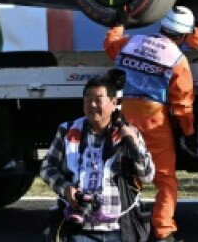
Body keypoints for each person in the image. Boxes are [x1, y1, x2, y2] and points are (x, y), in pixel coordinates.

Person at [104, 7, 197, 242]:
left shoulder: (132, 43)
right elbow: (182, 105)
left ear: (162, 25)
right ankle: (164, 232)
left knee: (126, 174)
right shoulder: (178, 60)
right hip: (154, 121)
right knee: (165, 179)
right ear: (184, 35)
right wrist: (189, 133)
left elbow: (110, 44)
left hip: (123, 118)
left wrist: (119, 23)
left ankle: (122, 226)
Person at [41, 70, 154, 242]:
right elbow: (47, 168)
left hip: (119, 227)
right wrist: (65, 188)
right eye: (87, 98)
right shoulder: (67, 130)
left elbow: (147, 176)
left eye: (98, 99)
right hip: (79, 228)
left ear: (113, 102)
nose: (92, 104)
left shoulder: (128, 134)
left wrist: (134, 144)